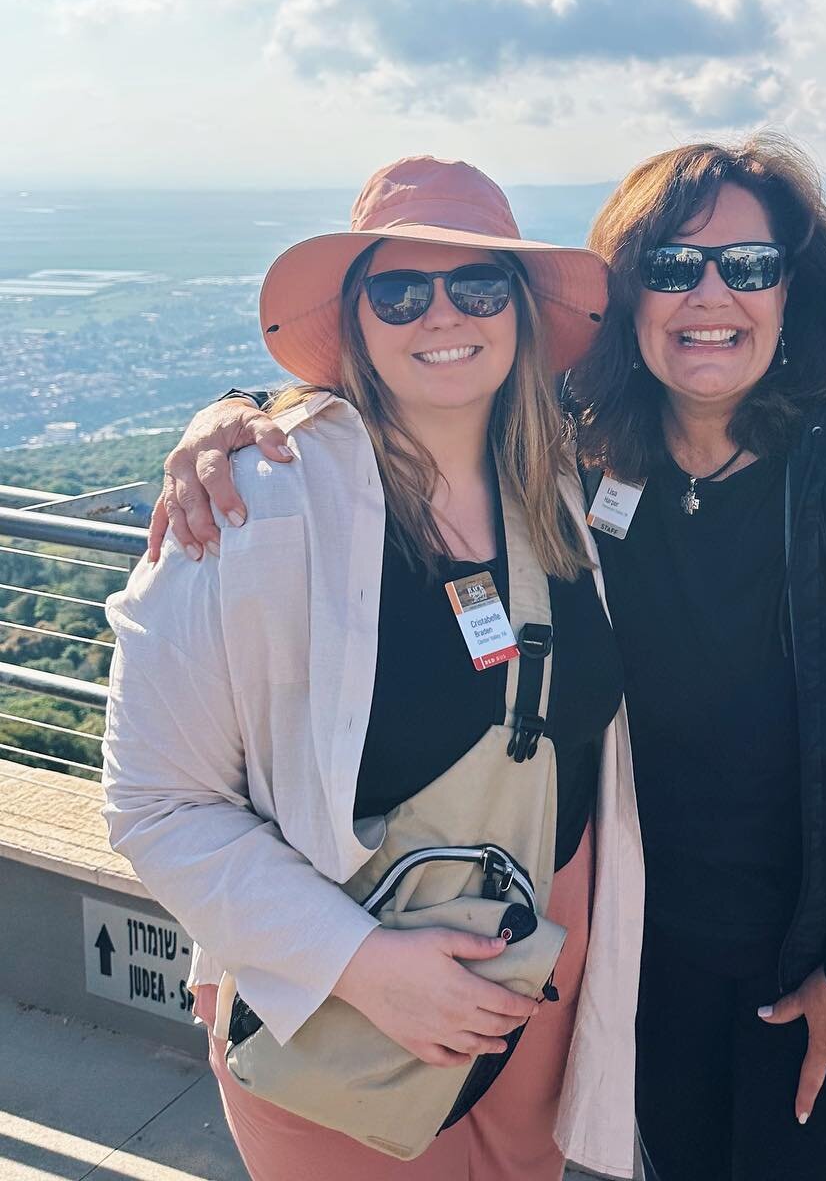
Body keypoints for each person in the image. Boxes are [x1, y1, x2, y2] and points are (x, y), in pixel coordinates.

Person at [151, 133, 826, 1181]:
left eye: (750, 266)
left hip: (806, 954)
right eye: (673, 268)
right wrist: (229, 420)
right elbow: (398, 405)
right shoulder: (583, 441)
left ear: (795, 289)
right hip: (625, 950)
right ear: (629, 300)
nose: (711, 294)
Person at [104, 156, 643, 1181]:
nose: (443, 313)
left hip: (541, 988)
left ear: (524, 312)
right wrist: (360, 967)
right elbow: (153, 803)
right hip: (337, 1009)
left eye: (479, 285)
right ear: (356, 322)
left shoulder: (559, 488)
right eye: (401, 290)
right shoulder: (255, 504)